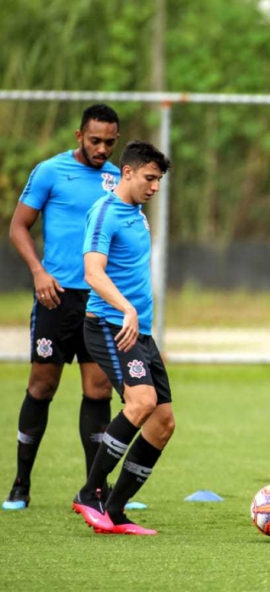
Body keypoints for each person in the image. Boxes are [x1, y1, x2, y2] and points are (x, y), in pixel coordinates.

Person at [4, 104, 124, 511]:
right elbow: (18, 226)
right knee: (42, 386)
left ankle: (95, 489)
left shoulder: (118, 180)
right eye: (95, 140)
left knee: (98, 389)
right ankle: (21, 484)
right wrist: (38, 272)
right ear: (79, 136)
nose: (102, 149)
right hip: (55, 297)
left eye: (110, 142)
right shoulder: (50, 171)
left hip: (98, 300)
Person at [71, 140, 174, 535]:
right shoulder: (104, 213)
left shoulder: (137, 213)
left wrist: (138, 319)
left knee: (162, 423)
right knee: (141, 402)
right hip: (109, 325)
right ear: (127, 172)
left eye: (159, 180)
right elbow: (93, 272)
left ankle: (114, 512)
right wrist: (127, 309)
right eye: (150, 178)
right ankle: (90, 493)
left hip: (139, 333)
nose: (155, 186)